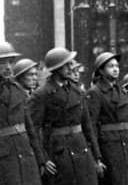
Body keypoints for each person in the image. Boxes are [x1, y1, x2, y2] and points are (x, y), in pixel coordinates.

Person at [29, 47, 104, 185]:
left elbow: (88, 126)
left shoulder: (77, 91)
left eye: (71, 64)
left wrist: (96, 156)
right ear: (57, 68)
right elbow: (33, 130)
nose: (71, 67)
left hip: (82, 149)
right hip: (59, 152)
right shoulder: (42, 94)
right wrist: (43, 159)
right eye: (67, 65)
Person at [86, 52, 128, 185]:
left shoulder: (122, 91)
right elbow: (92, 126)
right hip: (109, 146)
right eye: (110, 66)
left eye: (117, 66)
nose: (115, 69)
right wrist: (97, 157)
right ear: (101, 70)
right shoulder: (95, 92)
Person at [0, 42, 44, 185]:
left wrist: (40, 159)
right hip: (4, 157)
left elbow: (30, 129)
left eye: (10, 62)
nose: (8, 67)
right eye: (2, 62)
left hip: (25, 153)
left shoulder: (17, 90)